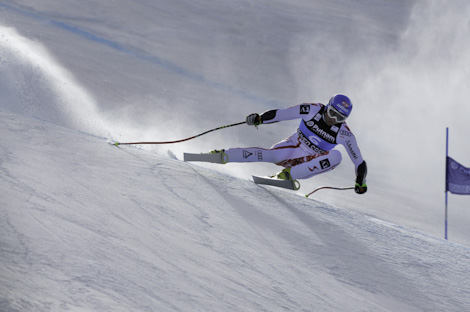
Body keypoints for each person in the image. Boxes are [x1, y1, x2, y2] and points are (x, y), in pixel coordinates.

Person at [210, 94, 367, 194]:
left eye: (339, 118)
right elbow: (282, 114)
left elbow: (359, 162)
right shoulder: (312, 110)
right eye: (332, 113)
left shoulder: (345, 134)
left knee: (336, 156)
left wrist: (361, 181)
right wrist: (260, 118)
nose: (333, 119)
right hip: (294, 147)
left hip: (312, 160)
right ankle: (224, 154)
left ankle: (288, 176)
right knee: (271, 155)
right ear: (327, 107)